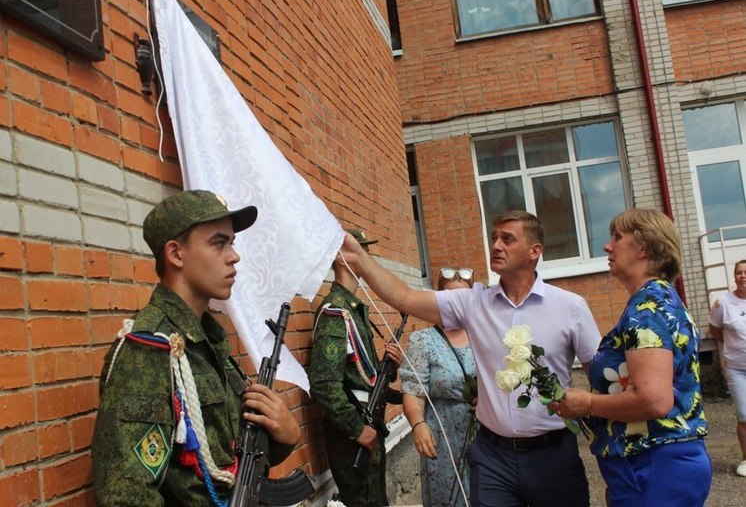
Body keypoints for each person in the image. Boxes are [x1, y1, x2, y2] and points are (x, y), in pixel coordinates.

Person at [338, 210, 601, 507]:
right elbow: (405, 298)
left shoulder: (570, 307)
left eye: (507, 239)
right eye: (494, 238)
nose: (496, 245)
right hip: (493, 459)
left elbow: (601, 377)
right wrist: (359, 258)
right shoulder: (472, 302)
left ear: (534, 251)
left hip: (552, 455)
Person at [92, 190, 301, 506]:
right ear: (176, 254)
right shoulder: (151, 351)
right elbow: (127, 495)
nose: (234, 256)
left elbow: (232, 462)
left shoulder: (209, 342)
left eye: (232, 243)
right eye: (219, 243)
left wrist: (283, 436)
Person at [552, 208, 711, 506]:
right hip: (660, 464)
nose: (607, 246)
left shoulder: (647, 309)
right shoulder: (659, 299)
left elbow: (653, 400)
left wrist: (585, 404)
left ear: (644, 247)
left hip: (652, 465)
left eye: (617, 237)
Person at [307, 229, 404, 507]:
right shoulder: (335, 312)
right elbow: (324, 384)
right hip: (352, 433)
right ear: (341, 258)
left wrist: (390, 367)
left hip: (368, 423)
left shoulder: (353, 310)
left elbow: (363, 375)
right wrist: (356, 428)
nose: (367, 257)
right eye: (360, 250)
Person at [401, 266, 478, 507]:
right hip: (443, 437)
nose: (456, 303)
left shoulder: (485, 335)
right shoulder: (423, 341)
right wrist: (418, 424)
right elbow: (413, 390)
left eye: (463, 297)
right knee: (448, 499)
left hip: (486, 436)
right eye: (449, 297)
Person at [709, 259, 746, 476]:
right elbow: (714, 330)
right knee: (744, 416)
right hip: (737, 369)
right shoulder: (723, 303)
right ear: (734, 277)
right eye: (739, 273)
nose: (743, 276)